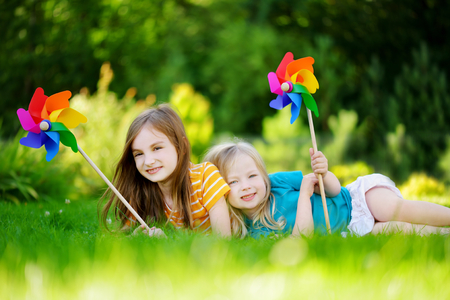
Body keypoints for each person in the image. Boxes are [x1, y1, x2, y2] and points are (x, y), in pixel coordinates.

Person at [203, 140, 450, 238]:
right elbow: (305, 236)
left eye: (252, 176)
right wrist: (303, 197)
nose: (245, 186)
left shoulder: (278, 182)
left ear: (264, 175)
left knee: (395, 210)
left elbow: (331, 189)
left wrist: (324, 172)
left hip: (355, 200)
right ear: (220, 191)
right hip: (350, 229)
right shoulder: (255, 232)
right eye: (232, 182)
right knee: (399, 230)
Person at [100, 104, 231, 237]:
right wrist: (135, 237)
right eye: (139, 154)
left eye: (157, 148)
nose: (148, 161)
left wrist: (167, 240)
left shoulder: (205, 177)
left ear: (182, 147)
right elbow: (119, 241)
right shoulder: (140, 191)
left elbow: (224, 239)